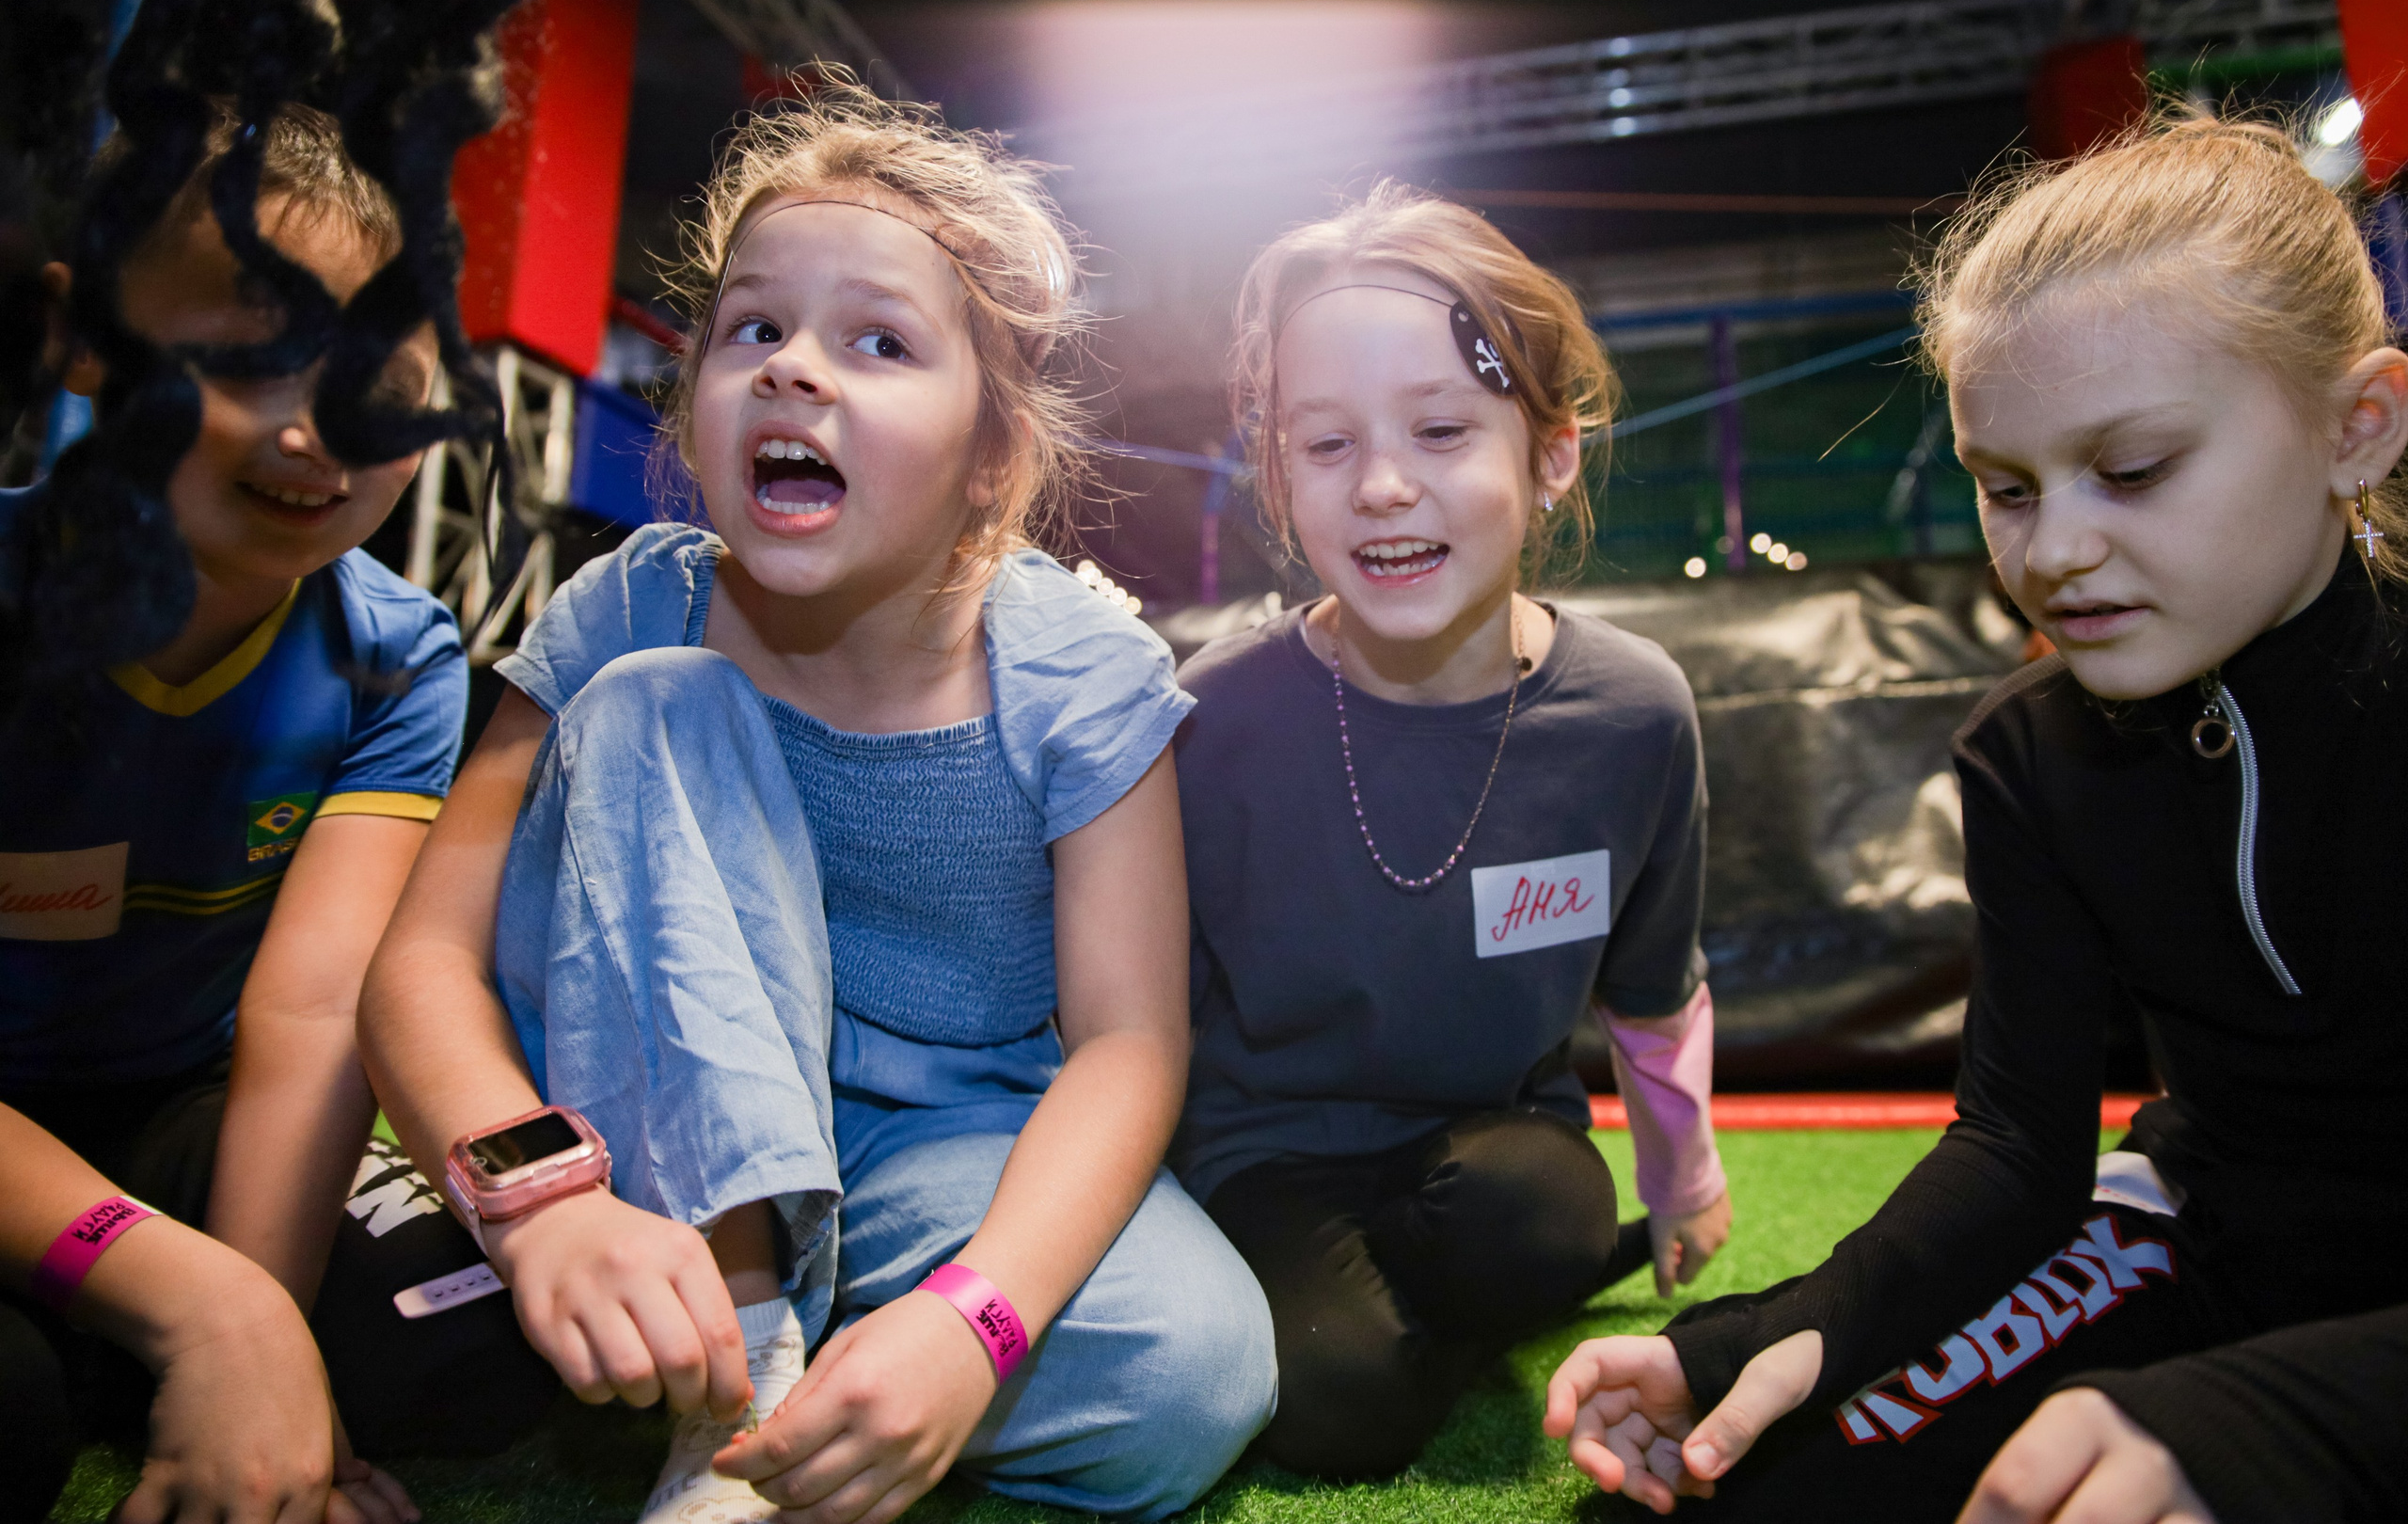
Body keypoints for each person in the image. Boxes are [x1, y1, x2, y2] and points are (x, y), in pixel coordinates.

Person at [357, 80, 1276, 1524]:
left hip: (930, 1149)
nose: (793, 369)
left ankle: (793, 1343)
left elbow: (1127, 1048)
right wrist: (543, 1203)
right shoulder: (625, 613)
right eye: (752, 329)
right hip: (629, 1118)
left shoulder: (1080, 671)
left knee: (1193, 1381)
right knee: (667, 697)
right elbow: (419, 960)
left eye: (880, 341)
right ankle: (742, 1334)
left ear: (991, 453)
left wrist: (973, 1326)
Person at [1545, 114, 2408, 1524]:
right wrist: (1772, 1334)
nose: (2054, 551)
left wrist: (2259, 1421)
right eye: (2006, 488)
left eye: (2131, 471)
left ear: (2355, 427)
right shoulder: (2032, 751)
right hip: (2213, 1233)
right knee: (1750, 1490)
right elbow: (2018, 1147)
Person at [0, 103, 549, 1524]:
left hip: (169, 1105)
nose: (323, 431)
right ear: (81, 337)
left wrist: (268, 1320)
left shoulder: (398, 653)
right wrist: (199, 1311)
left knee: (473, 1338)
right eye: (254, 356)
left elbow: (309, 1018)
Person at [1174, 183, 1728, 1480]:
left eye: (1440, 430)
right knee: (1339, 1410)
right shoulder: (1206, 724)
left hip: (1487, 1146)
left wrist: (1686, 1176)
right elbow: (1132, 1018)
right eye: (1325, 446)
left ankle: (1499, 1290)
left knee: (1541, 1222)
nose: (1381, 486)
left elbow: (1655, 990)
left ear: (1551, 454)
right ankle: (1411, 1337)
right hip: (1267, 1159)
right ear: (1276, 475)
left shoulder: (1631, 710)